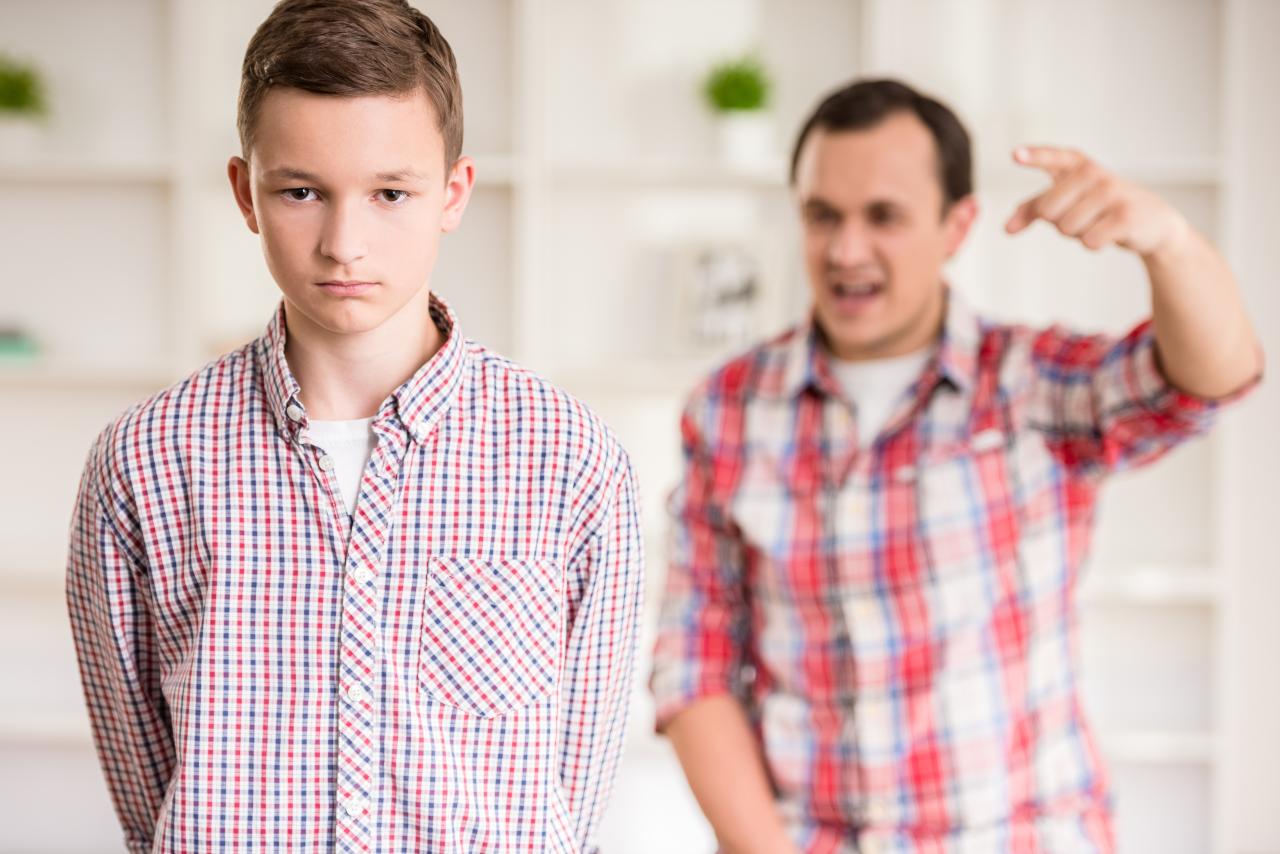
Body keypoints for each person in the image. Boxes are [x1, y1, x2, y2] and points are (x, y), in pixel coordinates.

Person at [65, 2, 643, 851]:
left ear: (452, 194)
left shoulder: (571, 459)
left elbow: (577, 784)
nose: (344, 243)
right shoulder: (144, 461)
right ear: (244, 193)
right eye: (302, 191)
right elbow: (144, 774)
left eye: (389, 193)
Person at [649, 78, 1262, 853]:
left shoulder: (1032, 380)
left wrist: (1170, 244)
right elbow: (695, 664)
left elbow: (1211, 378)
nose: (845, 250)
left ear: (957, 225)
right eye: (822, 215)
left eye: (884, 217)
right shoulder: (727, 407)